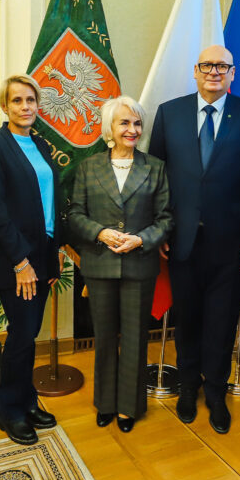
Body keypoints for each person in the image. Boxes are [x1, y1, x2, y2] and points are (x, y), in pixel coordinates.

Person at [147, 44, 240, 434]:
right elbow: (157, 176)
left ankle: (215, 392)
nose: (214, 71)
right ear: (195, 71)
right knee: (187, 320)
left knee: (220, 321)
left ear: (233, 74)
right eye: (207, 65)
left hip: (231, 247)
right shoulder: (170, 113)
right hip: (181, 242)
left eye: (222, 66)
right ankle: (188, 388)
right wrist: (161, 228)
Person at [68, 96, 173, 432]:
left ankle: (129, 406)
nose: (132, 129)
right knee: (103, 337)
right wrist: (100, 233)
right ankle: (106, 403)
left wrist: (141, 239)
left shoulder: (155, 167)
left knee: (135, 337)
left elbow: (166, 218)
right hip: (99, 265)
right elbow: (74, 215)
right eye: (124, 123)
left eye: (137, 123)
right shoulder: (88, 167)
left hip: (139, 265)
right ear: (109, 129)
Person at [0, 74, 61, 446]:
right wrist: (21, 262)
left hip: (44, 255)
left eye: (30, 100)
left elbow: (51, 205)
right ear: (5, 106)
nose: (25, 107)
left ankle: (27, 402)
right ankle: (9, 412)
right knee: (21, 336)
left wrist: (52, 258)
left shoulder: (41, 144)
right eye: (17, 101)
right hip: (18, 260)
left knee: (28, 336)